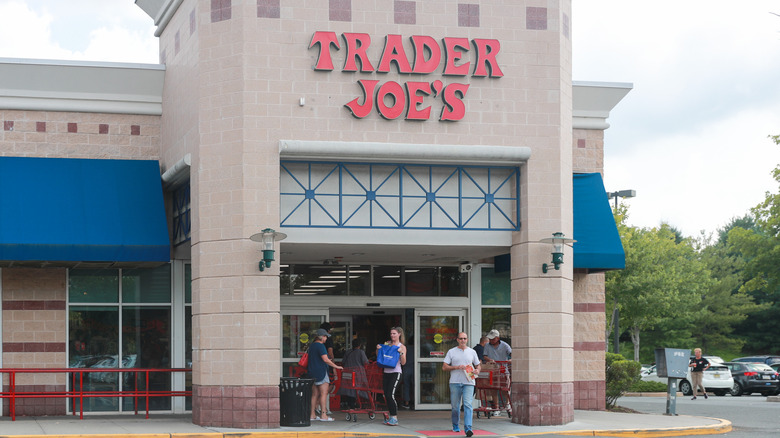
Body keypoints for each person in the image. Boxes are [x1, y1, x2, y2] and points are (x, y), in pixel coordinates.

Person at [442, 332, 481, 437]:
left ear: (467, 340)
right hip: (455, 382)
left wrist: (477, 370)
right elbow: (444, 367)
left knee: (468, 405)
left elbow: (478, 365)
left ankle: (468, 428)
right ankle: (455, 425)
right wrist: (456, 367)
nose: (463, 340)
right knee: (455, 406)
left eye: (464, 338)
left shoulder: (472, 352)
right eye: (461, 338)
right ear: (457, 340)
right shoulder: (452, 351)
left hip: (469, 382)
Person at [308, 328, 343, 422]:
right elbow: (326, 359)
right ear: (322, 337)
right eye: (326, 337)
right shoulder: (321, 346)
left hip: (312, 372)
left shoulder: (312, 346)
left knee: (314, 394)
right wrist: (337, 366)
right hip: (321, 372)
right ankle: (324, 415)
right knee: (324, 393)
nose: (326, 339)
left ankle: (312, 415)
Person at [376, 326, 406, 426]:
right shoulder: (387, 344)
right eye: (391, 333)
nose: (392, 335)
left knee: (390, 394)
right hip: (386, 372)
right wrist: (378, 349)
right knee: (386, 395)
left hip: (396, 372)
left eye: (394, 333)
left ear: (399, 334)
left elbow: (403, 362)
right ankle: (390, 416)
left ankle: (394, 417)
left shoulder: (401, 346)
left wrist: (401, 353)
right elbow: (379, 356)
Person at [483, 329, 511, 415]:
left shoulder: (505, 345)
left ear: (497, 338)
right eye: (490, 339)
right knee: (493, 389)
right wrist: (490, 360)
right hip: (493, 369)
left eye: (493, 339)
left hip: (503, 369)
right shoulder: (487, 345)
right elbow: (485, 356)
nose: (491, 340)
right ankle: (496, 407)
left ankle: (508, 404)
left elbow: (513, 354)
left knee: (505, 389)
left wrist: (510, 360)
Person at [338, 339, 369, 409]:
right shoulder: (361, 352)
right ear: (360, 345)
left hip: (348, 373)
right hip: (358, 373)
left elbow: (343, 362)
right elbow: (366, 362)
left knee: (349, 387)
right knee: (356, 387)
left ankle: (350, 403)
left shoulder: (347, 352)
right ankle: (355, 403)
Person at [401, 340, 414, 409]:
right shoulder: (417, 348)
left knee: (406, 386)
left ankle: (407, 403)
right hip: (414, 368)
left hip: (406, 368)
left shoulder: (405, 348)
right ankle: (416, 401)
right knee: (415, 385)